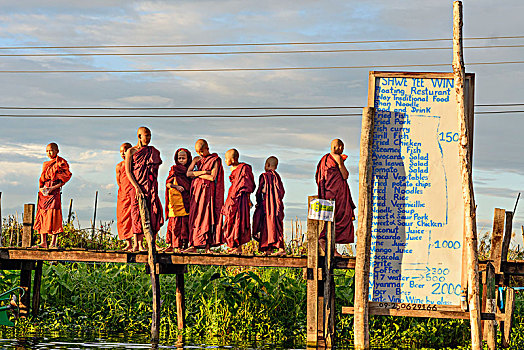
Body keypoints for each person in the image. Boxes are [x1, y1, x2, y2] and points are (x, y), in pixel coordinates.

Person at [125, 127, 164, 252]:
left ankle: (151, 242)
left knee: (153, 212)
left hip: (150, 187)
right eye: (145, 136)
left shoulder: (153, 151)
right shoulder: (131, 152)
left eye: (150, 136)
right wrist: (137, 187)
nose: (148, 138)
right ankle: (138, 244)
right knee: (136, 214)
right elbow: (128, 171)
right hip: (137, 187)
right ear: (139, 136)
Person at [315, 139, 356, 256]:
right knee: (341, 217)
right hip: (337, 193)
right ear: (339, 147)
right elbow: (345, 175)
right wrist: (342, 164)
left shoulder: (324, 160)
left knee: (330, 219)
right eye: (341, 147)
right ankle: (324, 239)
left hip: (327, 193)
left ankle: (331, 248)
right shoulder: (337, 158)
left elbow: (318, 177)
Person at [184, 139, 224, 254]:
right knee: (195, 217)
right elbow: (188, 173)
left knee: (207, 216)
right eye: (198, 152)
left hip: (207, 193)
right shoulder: (197, 159)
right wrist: (203, 172)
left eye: (202, 151)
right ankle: (193, 245)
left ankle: (207, 247)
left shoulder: (215, 160)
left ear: (207, 148)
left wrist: (197, 175)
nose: (200, 154)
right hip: (196, 192)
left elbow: (212, 177)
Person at [33, 143, 72, 249]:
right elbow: (42, 179)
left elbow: (65, 179)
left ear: (57, 151)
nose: (49, 153)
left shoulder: (61, 163)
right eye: (47, 151)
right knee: (42, 213)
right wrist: (41, 188)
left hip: (54, 192)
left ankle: (53, 242)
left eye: (51, 150)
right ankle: (43, 241)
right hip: (44, 193)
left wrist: (52, 188)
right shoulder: (45, 164)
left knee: (54, 214)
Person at [218, 149, 255, 255]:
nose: (225, 161)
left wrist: (247, 198)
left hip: (240, 199)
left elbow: (247, 184)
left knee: (239, 221)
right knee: (230, 220)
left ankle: (238, 247)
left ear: (233, 159)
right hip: (232, 196)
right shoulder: (234, 169)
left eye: (226, 159)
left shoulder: (244, 168)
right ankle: (231, 245)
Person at [252, 156, 285, 256]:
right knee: (275, 227)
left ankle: (275, 249)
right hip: (275, 206)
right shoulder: (277, 177)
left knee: (266, 226)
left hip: (267, 206)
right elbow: (281, 192)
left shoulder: (265, 176)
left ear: (267, 165)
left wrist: (258, 200)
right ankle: (270, 249)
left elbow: (260, 191)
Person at [164, 148, 192, 252]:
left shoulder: (189, 171)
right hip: (174, 202)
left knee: (184, 224)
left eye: (183, 158)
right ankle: (172, 245)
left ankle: (182, 246)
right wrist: (176, 187)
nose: (181, 160)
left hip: (185, 201)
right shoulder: (174, 169)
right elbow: (168, 183)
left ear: (188, 159)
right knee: (174, 224)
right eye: (179, 158)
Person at [116, 142, 134, 251]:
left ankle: (138, 243)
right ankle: (128, 243)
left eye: (126, 150)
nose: (123, 153)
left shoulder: (135, 164)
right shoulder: (119, 166)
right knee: (124, 219)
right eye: (121, 151)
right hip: (123, 194)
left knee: (135, 218)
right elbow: (119, 182)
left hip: (134, 193)